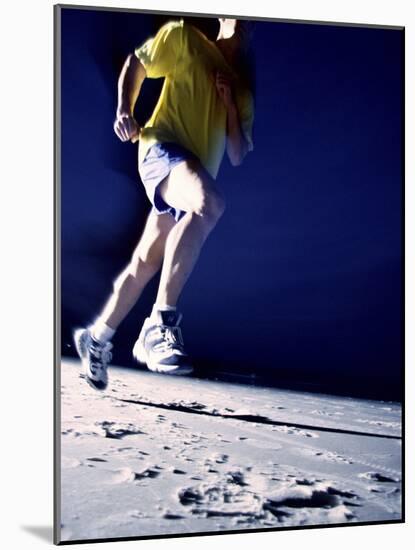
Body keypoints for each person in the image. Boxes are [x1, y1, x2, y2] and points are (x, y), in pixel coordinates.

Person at [74, 17, 255, 390]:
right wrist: (125, 109)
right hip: (162, 149)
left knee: (143, 263)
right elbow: (136, 64)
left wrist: (230, 107)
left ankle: (96, 338)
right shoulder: (184, 38)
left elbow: (238, 153)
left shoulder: (241, 88)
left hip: (185, 177)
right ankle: (161, 323)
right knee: (210, 203)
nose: (241, 21)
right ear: (221, 18)